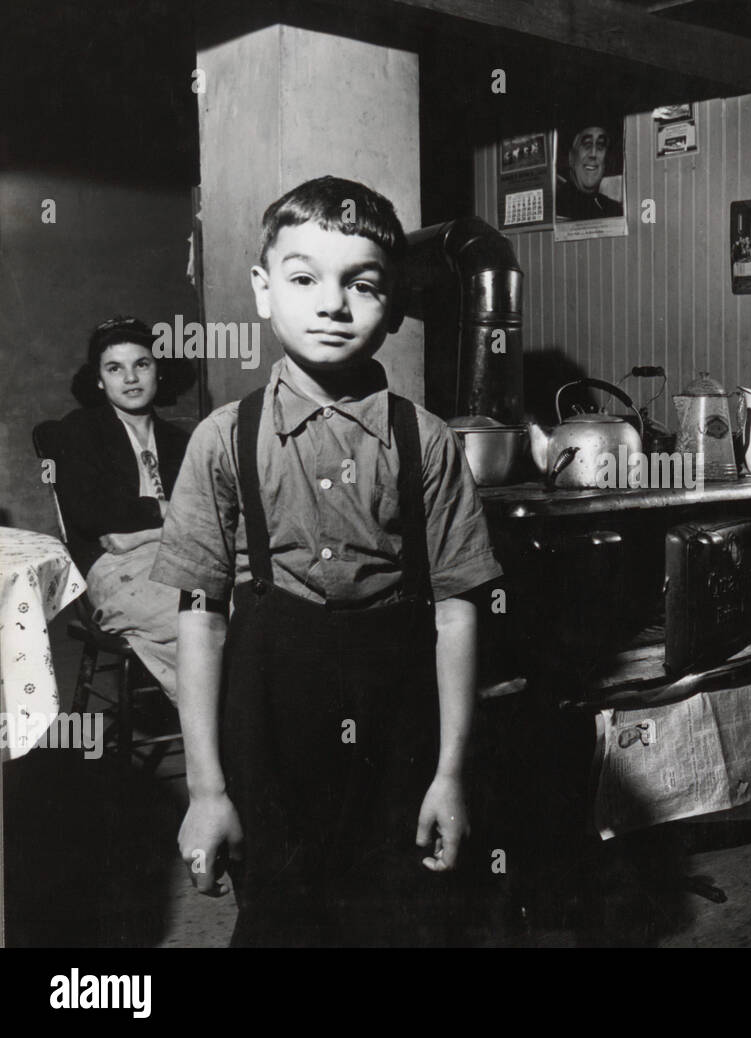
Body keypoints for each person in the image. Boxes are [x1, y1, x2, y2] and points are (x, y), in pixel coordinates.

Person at [150, 175, 503, 946]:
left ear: (396, 303)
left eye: (362, 285)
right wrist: (206, 789)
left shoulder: (429, 442)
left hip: (398, 713)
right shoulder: (222, 440)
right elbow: (201, 623)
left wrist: (448, 775)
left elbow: (455, 611)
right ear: (263, 289)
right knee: (281, 915)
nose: (332, 303)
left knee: (400, 916)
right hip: (269, 712)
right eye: (304, 278)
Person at [57, 316, 192, 702]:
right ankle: (222, 726)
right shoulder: (81, 429)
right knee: (195, 619)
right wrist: (164, 509)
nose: (130, 378)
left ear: (158, 371)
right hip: (112, 568)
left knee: (239, 608)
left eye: (142, 364)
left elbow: (208, 515)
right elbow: (89, 513)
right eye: (115, 368)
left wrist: (147, 531)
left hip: (178, 553)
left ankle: (232, 725)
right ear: (99, 380)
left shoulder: (179, 440)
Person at [555, 122, 624, 221]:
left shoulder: (614, 211)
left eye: (600, 146)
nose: (593, 154)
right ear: (571, 158)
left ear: (606, 161)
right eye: (587, 144)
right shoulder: (554, 208)